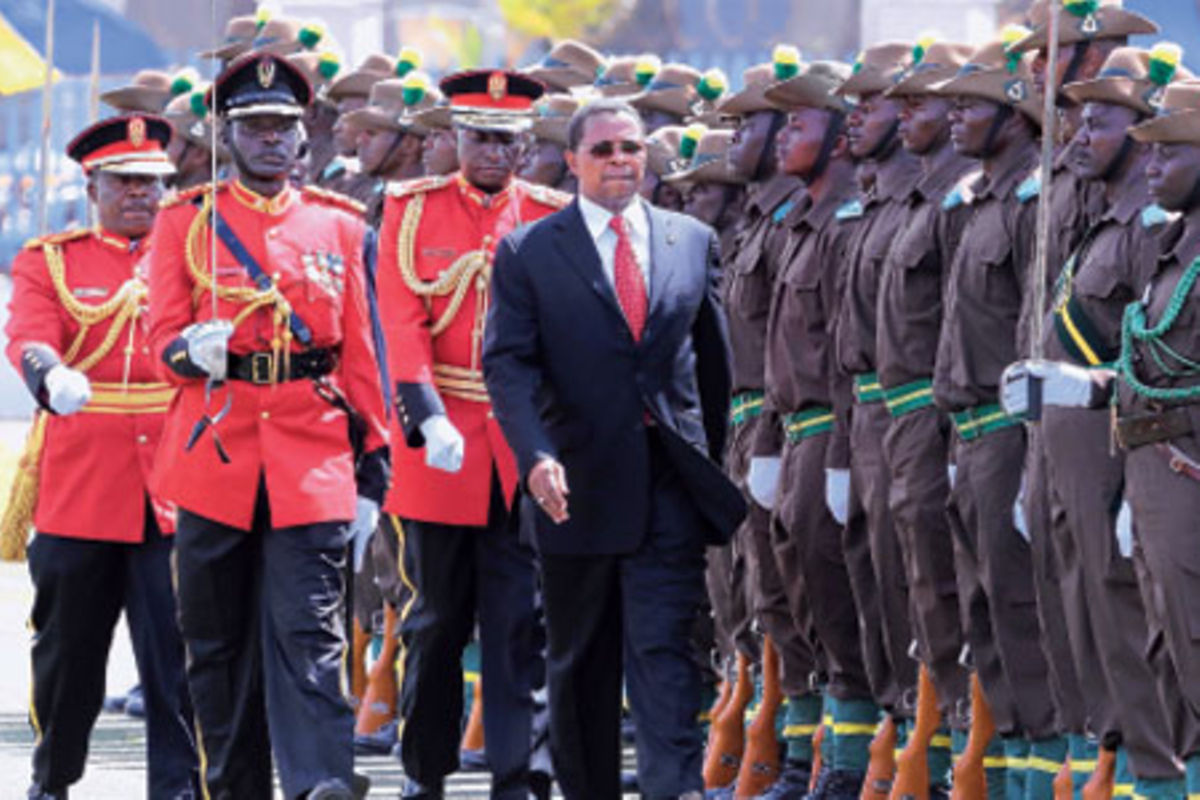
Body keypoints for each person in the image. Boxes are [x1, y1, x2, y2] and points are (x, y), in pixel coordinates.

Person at [483, 97, 744, 799]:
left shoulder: (690, 240)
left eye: (631, 147)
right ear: (572, 163)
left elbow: (713, 368)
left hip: (666, 485)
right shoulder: (529, 251)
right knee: (581, 666)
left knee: (666, 655)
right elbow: (508, 365)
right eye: (602, 150)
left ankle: (674, 790)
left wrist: (702, 461)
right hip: (574, 488)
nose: (620, 160)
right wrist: (535, 456)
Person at [147, 52, 389, 800]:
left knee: (309, 633)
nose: (272, 141)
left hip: (310, 457)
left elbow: (360, 354)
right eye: (255, 128)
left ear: (303, 135)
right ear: (228, 135)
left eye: (283, 127)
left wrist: (372, 470)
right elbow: (160, 339)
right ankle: (235, 783)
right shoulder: (184, 222)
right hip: (214, 453)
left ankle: (322, 780)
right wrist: (192, 350)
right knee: (217, 648)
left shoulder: (339, 226)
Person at [375, 69, 570, 800]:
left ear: (528, 146)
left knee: (521, 620)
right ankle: (426, 771)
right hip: (443, 441)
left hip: (523, 446)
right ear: (454, 139)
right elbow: (401, 319)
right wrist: (425, 412)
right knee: (437, 619)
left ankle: (520, 777)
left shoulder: (550, 216)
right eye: (481, 139)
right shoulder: (411, 211)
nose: (494, 154)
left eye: (508, 141)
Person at [4, 114, 197, 800]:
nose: (142, 196)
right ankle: (53, 778)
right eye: (127, 183)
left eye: (154, 184)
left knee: (177, 657)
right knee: (66, 657)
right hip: (82, 486)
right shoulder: (51, 259)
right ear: (93, 186)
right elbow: (27, 332)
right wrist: (50, 376)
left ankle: (177, 789)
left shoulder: (193, 254)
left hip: (175, 484)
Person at [931, 28, 1056, 794]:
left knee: (1021, 614)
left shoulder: (1030, 199)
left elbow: (1030, 330)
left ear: (1013, 115)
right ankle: (1006, 774)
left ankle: (1041, 780)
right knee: (983, 617)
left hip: (1010, 433)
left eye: (967, 108)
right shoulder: (976, 200)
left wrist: (1030, 460)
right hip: (967, 434)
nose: (952, 121)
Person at [873, 38, 976, 797]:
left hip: (941, 419)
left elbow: (959, 325)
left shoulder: (958, 197)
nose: (904, 114)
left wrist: (946, 434)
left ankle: (960, 761)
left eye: (920, 102)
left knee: (950, 590)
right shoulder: (908, 198)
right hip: (885, 419)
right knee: (904, 585)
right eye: (897, 101)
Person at [828, 43, 923, 796]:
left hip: (926, 421)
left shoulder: (939, 205)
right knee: (867, 591)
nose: (855, 115)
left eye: (879, 101)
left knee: (934, 601)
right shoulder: (876, 206)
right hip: (860, 422)